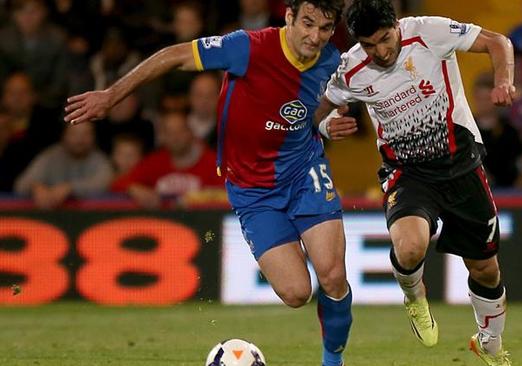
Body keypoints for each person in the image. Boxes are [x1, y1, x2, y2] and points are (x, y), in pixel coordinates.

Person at [64, 1, 352, 366]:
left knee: (333, 275)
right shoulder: (247, 47)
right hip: (252, 190)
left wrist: (326, 125)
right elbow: (173, 55)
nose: (315, 36)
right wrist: (110, 95)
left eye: (325, 28)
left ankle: (333, 361)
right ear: (289, 17)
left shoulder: (332, 62)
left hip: (304, 170)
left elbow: (313, 112)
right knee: (296, 292)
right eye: (308, 24)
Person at [315, 1, 514, 365]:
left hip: (461, 167)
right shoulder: (352, 68)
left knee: (486, 269)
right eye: (370, 45)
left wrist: (503, 80)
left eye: (385, 39)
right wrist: (326, 126)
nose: (381, 51)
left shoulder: (428, 32)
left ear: (396, 24)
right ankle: (414, 296)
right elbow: (320, 110)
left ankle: (489, 342)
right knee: (409, 248)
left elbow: (498, 41)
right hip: (407, 173)